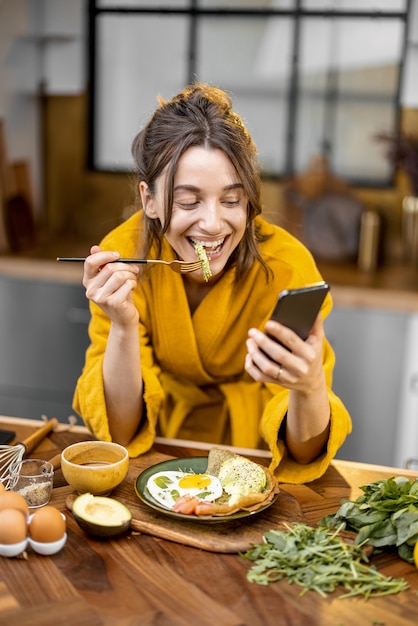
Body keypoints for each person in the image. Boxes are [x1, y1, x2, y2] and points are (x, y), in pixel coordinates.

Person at [73, 83, 351, 482]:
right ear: (149, 199)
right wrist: (122, 323)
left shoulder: (287, 267)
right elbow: (119, 433)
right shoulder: (122, 258)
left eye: (232, 200)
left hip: (255, 461)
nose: (214, 223)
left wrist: (308, 388)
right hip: (153, 460)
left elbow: (304, 454)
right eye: (189, 202)